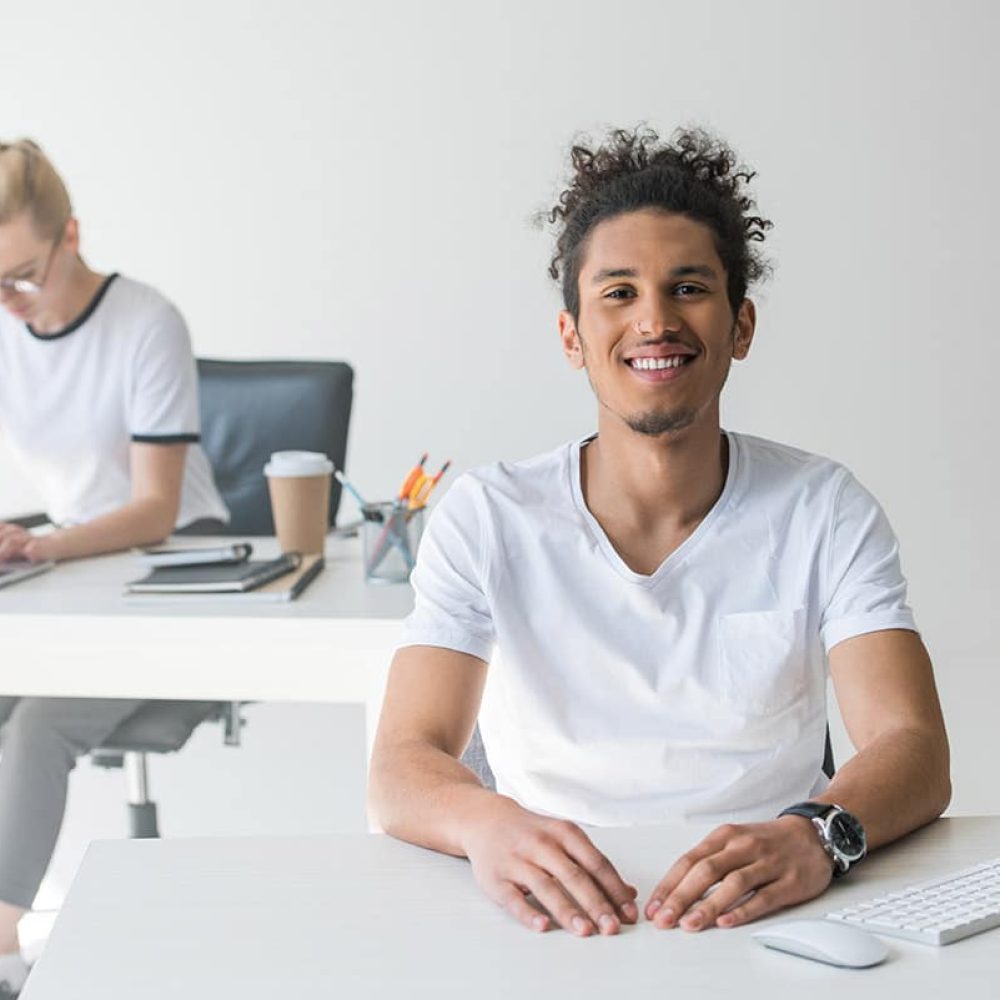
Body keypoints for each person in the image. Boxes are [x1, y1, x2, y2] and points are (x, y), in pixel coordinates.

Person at [368, 126, 951, 939]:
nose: (654, 320)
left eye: (688, 288)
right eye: (617, 292)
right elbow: (402, 762)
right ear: (571, 336)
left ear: (741, 326)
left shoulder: (824, 506)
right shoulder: (488, 515)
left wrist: (817, 834)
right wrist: (486, 824)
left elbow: (912, 745)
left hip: (774, 905)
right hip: (547, 909)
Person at [0, 139, 228, 995]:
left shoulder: (146, 321)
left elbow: (155, 507)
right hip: (69, 570)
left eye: (21, 274)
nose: (9, 301)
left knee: (36, 723)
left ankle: (1, 952)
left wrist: (48, 543)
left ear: (71, 236)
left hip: (176, 573)